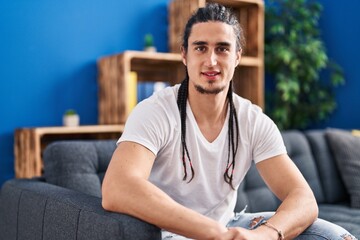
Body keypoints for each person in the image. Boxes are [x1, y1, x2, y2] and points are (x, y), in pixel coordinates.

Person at [102, 3, 357, 240]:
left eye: (222, 49)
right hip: (167, 233)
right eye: (200, 48)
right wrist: (213, 232)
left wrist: (263, 235)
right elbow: (117, 187)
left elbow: (303, 198)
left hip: (228, 227)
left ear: (237, 56)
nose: (211, 61)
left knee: (335, 235)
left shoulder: (253, 120)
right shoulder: (155, 111)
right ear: (184, 55)